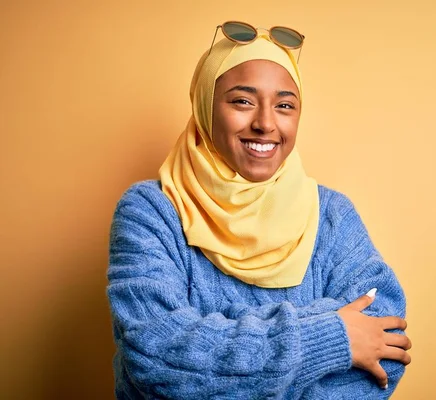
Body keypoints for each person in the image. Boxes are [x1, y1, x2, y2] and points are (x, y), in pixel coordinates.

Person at [107, 21, 412, 399]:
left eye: (285, 105)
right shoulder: (151, 212)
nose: (265, 123)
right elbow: (156, 359)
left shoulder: (332, 215)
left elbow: (389, 344)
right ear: (204, 107)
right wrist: (333, 336)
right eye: (242, 101)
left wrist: (217, 343)